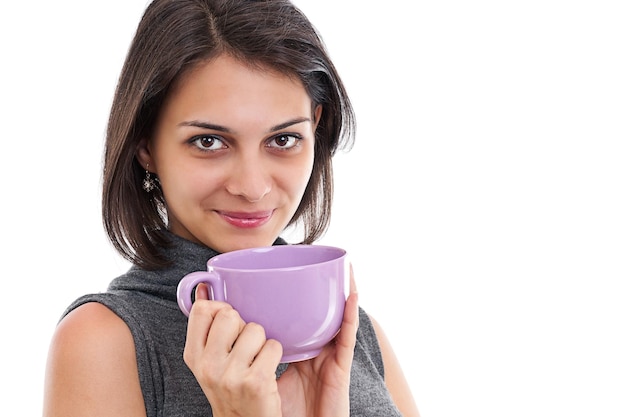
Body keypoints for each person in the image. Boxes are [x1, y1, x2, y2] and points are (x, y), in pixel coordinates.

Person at [43, 0, 420, 416]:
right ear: (145, 145)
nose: (252, 187)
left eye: (282, 140)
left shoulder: (356, 335)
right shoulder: (105, 342)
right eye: (209, 141)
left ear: (315, 127)